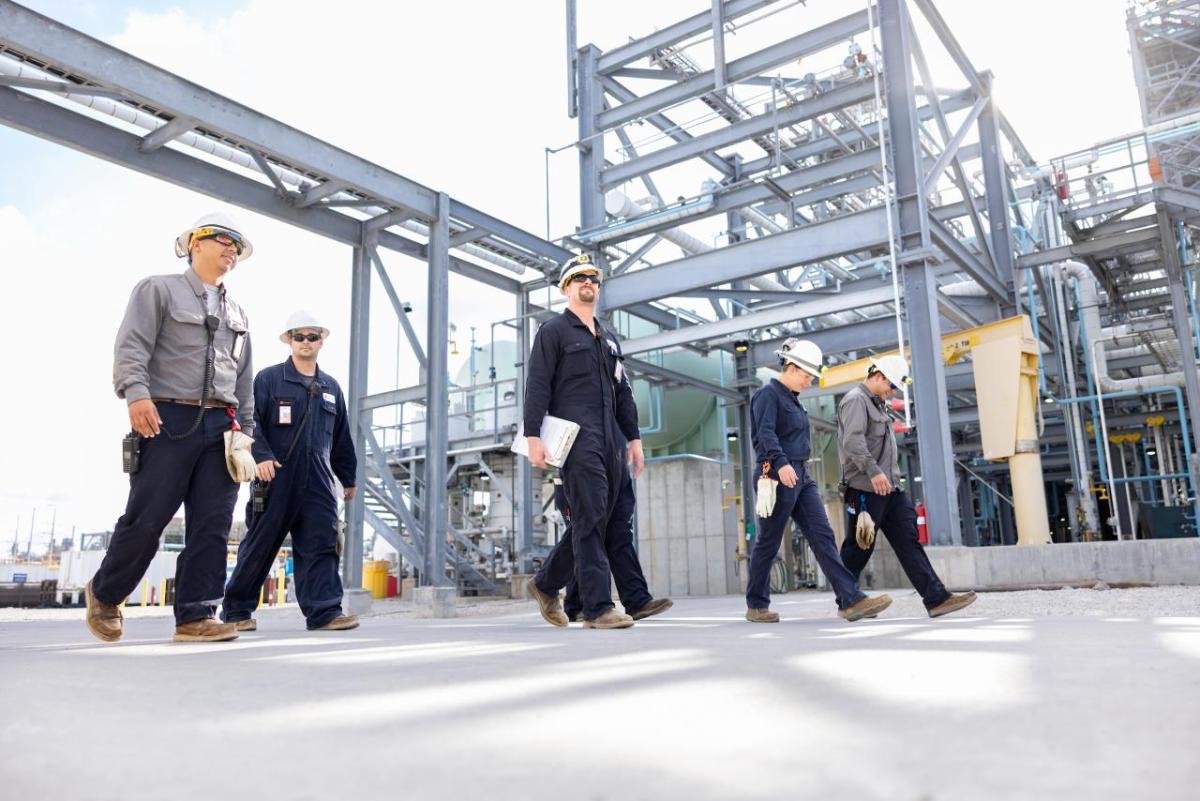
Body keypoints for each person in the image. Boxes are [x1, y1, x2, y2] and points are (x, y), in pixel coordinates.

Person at [86, 212, 255, 643]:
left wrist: (247, 434)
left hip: (223, 424)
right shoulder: (157, 289)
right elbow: (132, 344)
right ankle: (105, 595)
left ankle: (196, 615)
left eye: (237, 244)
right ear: (195, 243)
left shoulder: (237, 312)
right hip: (166, 416)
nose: (232, 248)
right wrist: (136, 394)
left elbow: (244, 378)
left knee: (213, 524)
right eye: (224, 239)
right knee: (149, 516)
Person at [522, 253, 662, 629]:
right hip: (577, 438)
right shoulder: (553, 332)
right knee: (591, 516)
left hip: (612, 439)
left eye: (594, 279)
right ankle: (598, 607)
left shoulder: (609, 339)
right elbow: (536, 385)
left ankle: (546, 582)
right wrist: (532, 435)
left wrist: (633, 439)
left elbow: (624, 393)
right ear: (566, 287)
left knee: (615, 518)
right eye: (580, 278)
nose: (588, 284)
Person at [222, 311, 359, 631]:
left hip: (319, 480)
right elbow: (249, 420)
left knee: (322, 543)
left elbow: (342, 436)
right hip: (274, 478)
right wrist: (262, 457)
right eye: (300, 337)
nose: (306, 342)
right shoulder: (270, 380)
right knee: (260, 544)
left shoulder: (331, 387)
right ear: (290, 341)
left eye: (312, 337)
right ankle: (237, 612)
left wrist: (348, 476)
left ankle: (325, 611)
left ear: (321, 341)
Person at [746, 338, 892, 623]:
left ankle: (851, 600)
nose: (809, 380)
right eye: (806, 374)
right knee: (769, 541)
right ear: (790, 366)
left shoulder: (792, 399)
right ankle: (756, 605)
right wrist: (781, 462)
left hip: (801, 476)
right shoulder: (768, 395)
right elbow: (765, 434)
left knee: (823, 536)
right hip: (778, 474)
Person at [837, 354, 977, 618]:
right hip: (865, 488)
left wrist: (888, 478)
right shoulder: (856, 400)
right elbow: (852, 442)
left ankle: (936, 598)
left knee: (908, 541)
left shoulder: (878, 405)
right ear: (878, 376)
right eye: (891, 386)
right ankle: (848, 600)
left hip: (889, 489)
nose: (892, 393)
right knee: (860, 545)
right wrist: (874, 471)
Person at [548, 481, 672, 624]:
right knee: (582, 537)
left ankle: (637, 600)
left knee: (617, 536)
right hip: (573, 481)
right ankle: (573, 604)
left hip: (605, 479)